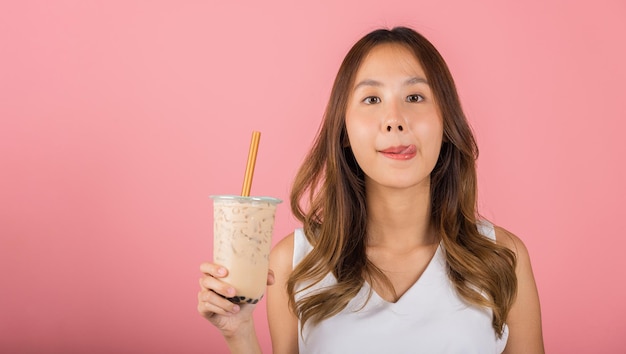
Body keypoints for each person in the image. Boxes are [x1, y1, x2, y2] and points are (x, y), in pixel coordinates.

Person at [198, 26, 544, 353]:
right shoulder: (295, 263)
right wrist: (239, 333)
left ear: (445, 121)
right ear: (344, 131)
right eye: (371, 99)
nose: (394, 119)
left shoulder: (502, 258)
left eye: (414, 96)